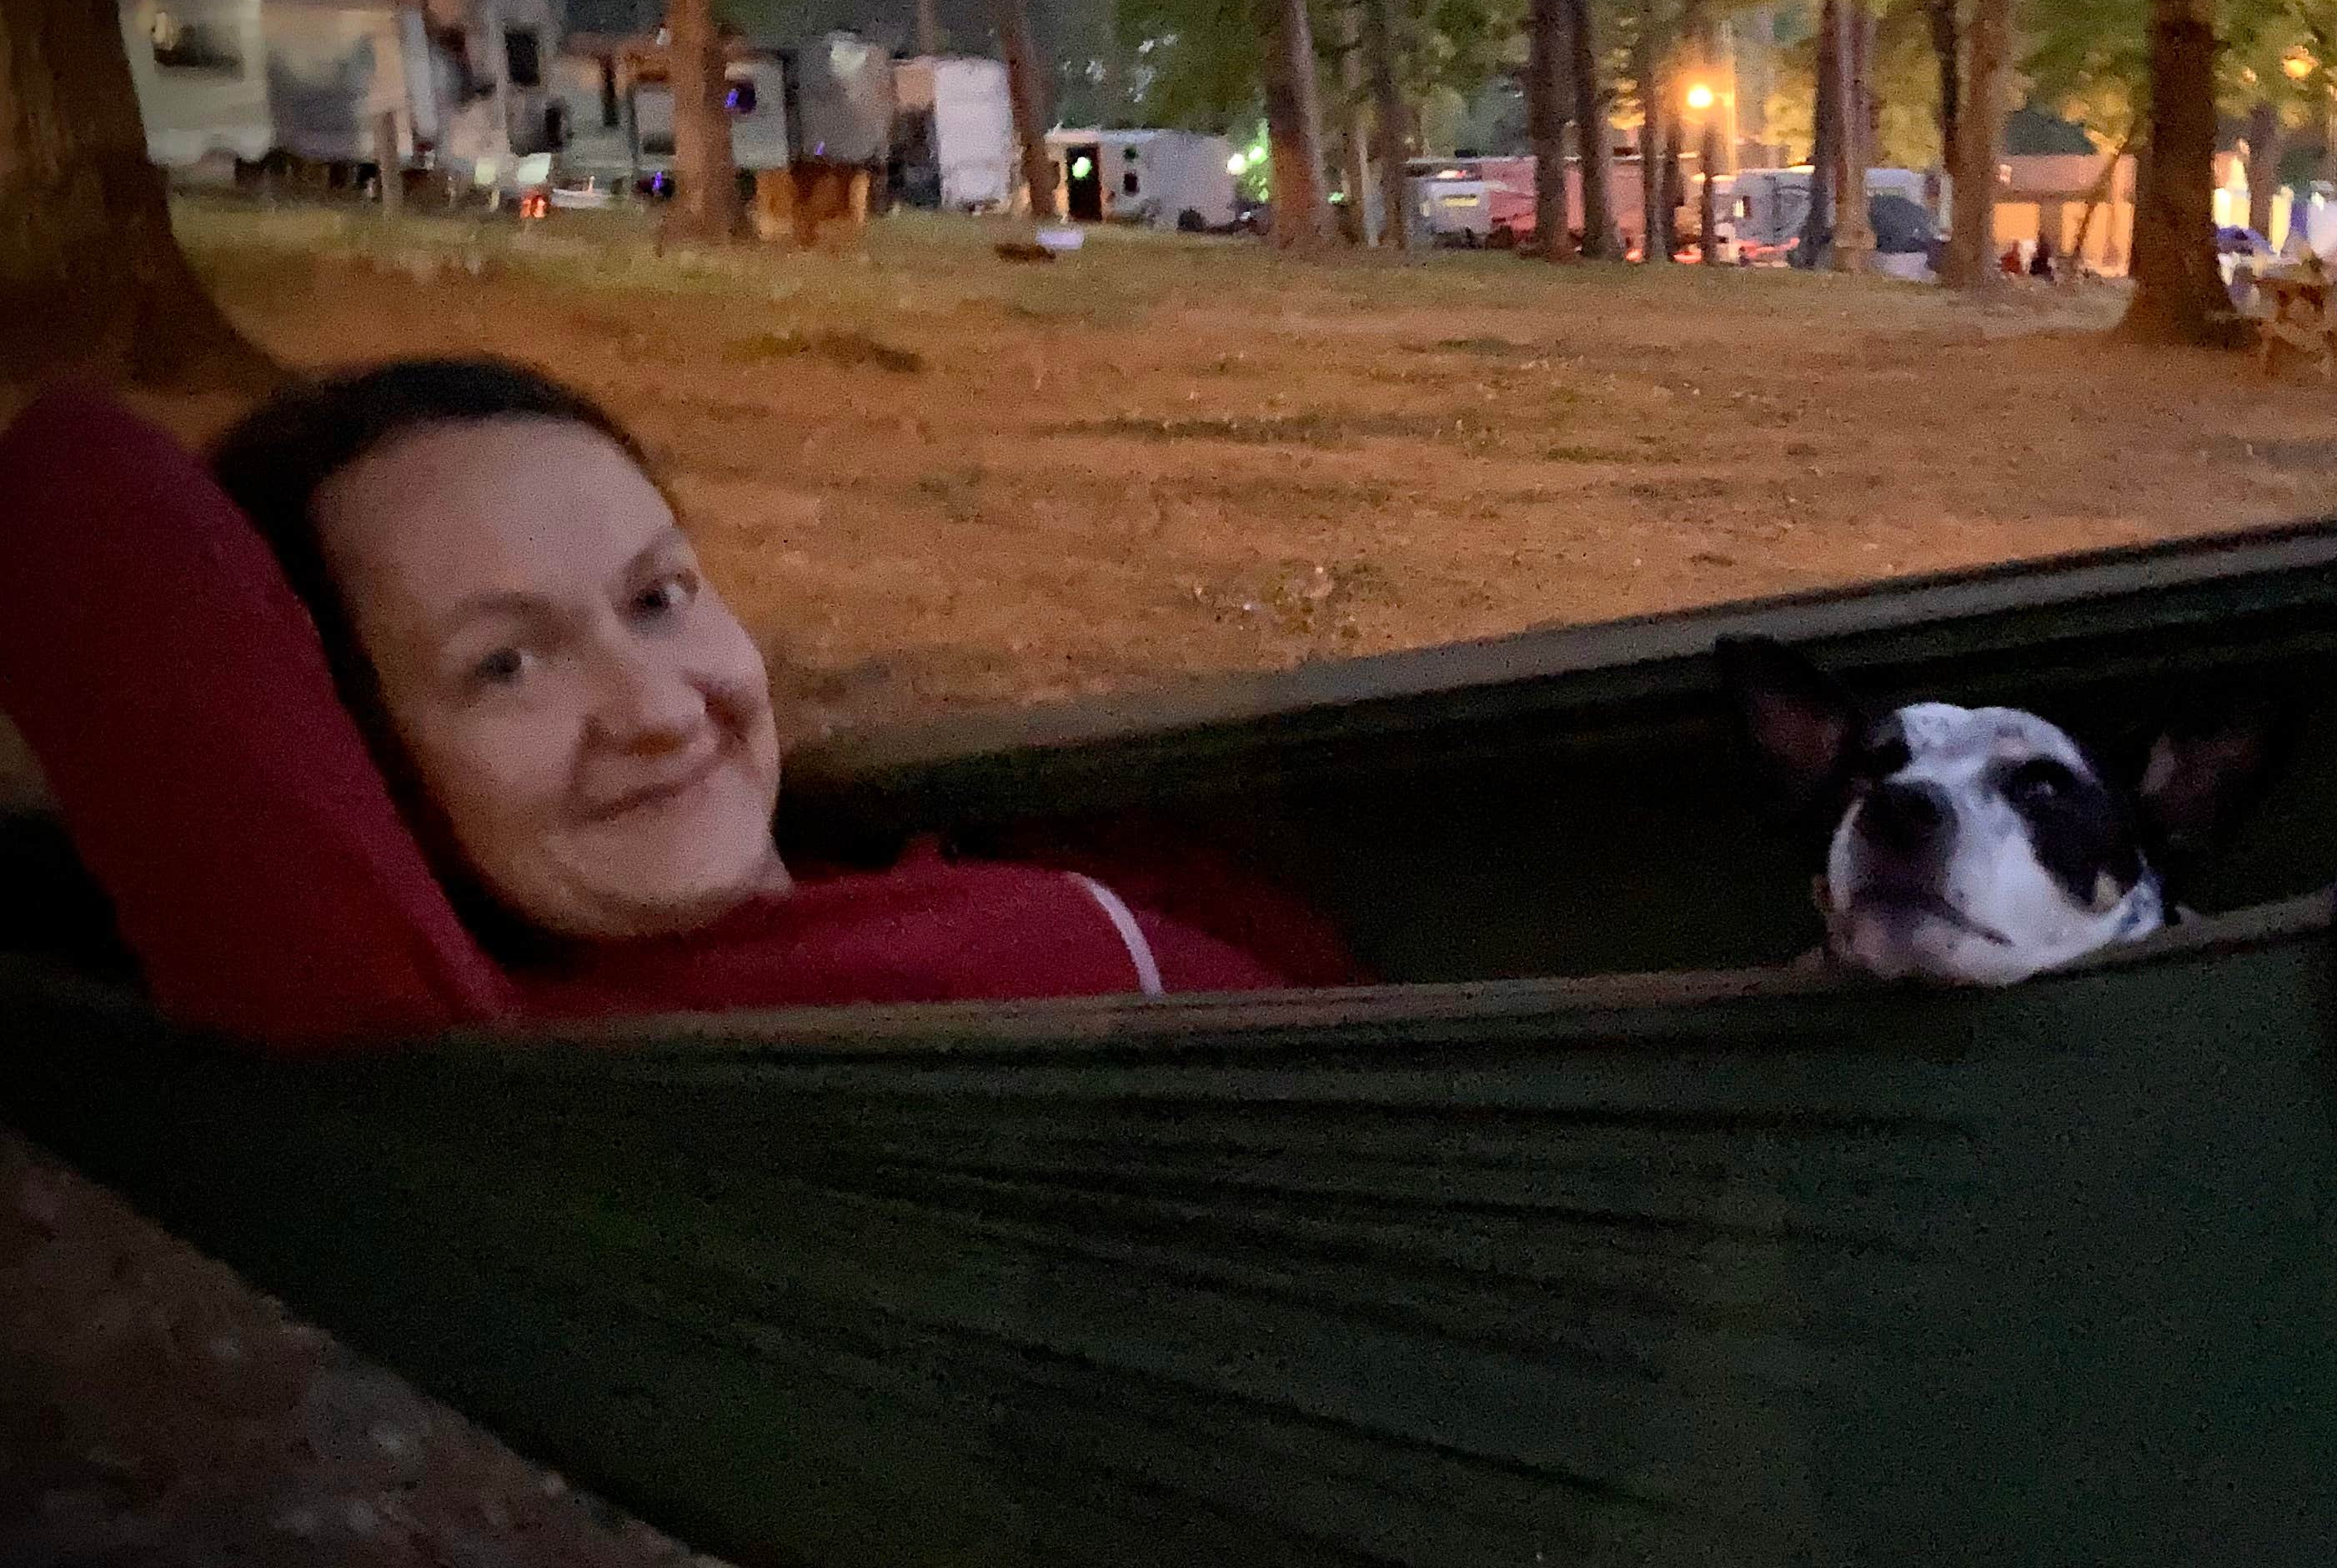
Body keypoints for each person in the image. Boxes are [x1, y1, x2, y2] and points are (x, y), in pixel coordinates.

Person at [0, 363, 1360, 1046]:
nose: (657, 712)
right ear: (363, 761)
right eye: (504, 666)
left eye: (657, 597)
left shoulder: (877, 886)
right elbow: (81, 498)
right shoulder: (580, 1062)